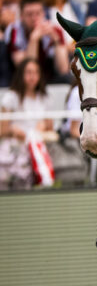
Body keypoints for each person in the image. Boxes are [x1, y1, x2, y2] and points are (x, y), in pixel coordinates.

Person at [0, 58, 53, 190]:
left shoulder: (45, 98)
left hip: (39, 148)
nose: (32, 76)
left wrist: (43, 127)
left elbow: (50, 128)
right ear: (21, 74)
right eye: (28, 72)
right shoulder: (11, 97)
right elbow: (2, 129)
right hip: (15, 147)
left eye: (36, 72)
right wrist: (13, 130)